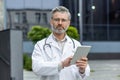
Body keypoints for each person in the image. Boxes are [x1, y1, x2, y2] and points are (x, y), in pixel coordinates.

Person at [32, 6, 90, 80]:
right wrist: (61, 64)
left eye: (63, 20)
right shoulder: (40, 45)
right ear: (51, 21)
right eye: (57, 20)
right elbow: (37, 68)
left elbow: (82, 74)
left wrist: (82, 70)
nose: (60, 23)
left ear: (68, 23)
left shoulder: (76, 45)